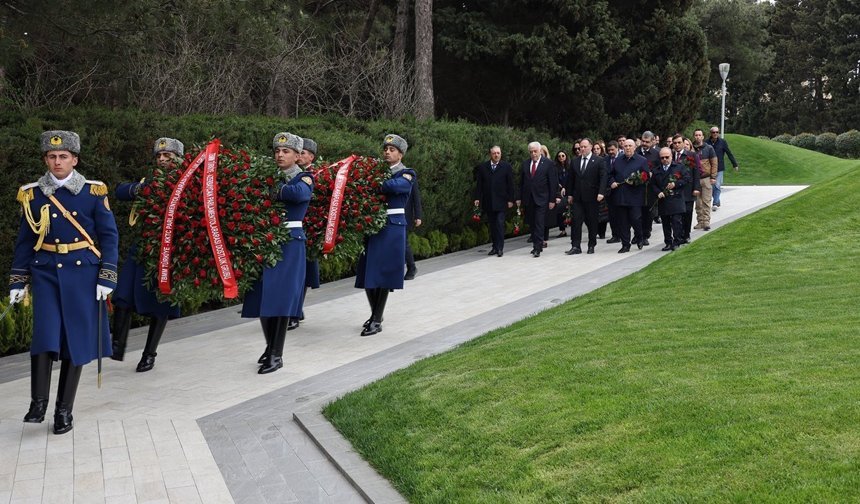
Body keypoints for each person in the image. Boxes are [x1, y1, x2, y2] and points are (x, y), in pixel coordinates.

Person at [11, 130, 118, 434]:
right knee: (44, 335)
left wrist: (107, 275)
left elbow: (109, 236)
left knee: (75, 342)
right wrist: (17, 281)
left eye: (63, 156)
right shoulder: (31, 194)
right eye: (51, 156)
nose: (57, 162)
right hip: (45, 272)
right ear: (45, 159)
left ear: (74, 159)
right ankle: (38, 402)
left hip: (83, 273)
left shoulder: (93, 192)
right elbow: (25, 241)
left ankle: (63, 411)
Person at [242, 132, 313, 373]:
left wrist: (273, 189)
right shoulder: (267, 177)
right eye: (277, 151)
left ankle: (276, 353)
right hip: (264, 240)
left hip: (289, 243)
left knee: (281, 298)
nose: (280, 155)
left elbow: (298, 194)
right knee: (261, 296)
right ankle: (269, 346)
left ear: (297, 155)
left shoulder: (304, 178)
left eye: (286, 151)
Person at [111, 138, 183, 372]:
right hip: (142, 246)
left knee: (160, 303)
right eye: (159, 156)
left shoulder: (185, 185)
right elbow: (120, 191)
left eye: (168, 156)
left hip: (167, 251)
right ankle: (116, 346)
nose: (162, 160)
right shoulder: (147, 182)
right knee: (122, 296)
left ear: (179, 159)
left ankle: (149, 353)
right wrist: (141, 189)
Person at [355, 134, 415, 336]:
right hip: (373, 225)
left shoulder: (406, 173)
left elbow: (399, 187)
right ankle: (376, 315)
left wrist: (377, 182)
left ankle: (376, 318)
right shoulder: (376, 173)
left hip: (392, 227)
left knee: (382, 274)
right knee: (368, 273)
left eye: (392, 150)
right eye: (386, 149)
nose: (387, 153)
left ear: (401, 153)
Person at [294, 137, 320, 329]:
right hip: (297, 228)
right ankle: (295, 309)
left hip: (309, 229)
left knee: (302, 274)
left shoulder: (315, 175)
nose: (300, 156)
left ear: (311, 156)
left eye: (303, 153)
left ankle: (295, 310)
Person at [565, 138, 607, 255]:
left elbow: (603, 177)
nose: (582, 149)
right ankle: (575, 246)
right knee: (576, 222)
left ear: (590, 147)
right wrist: (570, 194)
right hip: (578, 197)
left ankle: (591, 244)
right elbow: (571, 179)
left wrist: (601, 192)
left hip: (592, 197)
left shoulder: (599, 161)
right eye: (580, 147)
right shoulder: (575, 161)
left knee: (592, 221)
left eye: (584, 147)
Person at [517, 141, 558, 257]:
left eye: (535, 151)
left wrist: (552, 200)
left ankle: (537, 248)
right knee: (532, 224)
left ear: (540, 151)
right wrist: (519, 198)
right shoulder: (525, 164)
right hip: (529, 199)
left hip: (542, 199)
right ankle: (536, 243)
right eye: (531, 152)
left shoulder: (548, 164)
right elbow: (521, 183)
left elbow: (552, 183)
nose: (533, 154)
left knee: (539, 223)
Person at [607, 139, 647, 253]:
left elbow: (646, 176)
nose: (628, 148)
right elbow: (610, 174)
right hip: (620, 195)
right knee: (622, 222)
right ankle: (625, 244)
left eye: (630, 146)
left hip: (635, 196)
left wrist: (636, 181)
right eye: (625, 146)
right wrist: (612, 182)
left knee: (635, 219)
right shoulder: (618, 160)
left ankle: (639, 236)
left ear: (635, 147)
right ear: (622, 148)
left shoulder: (642, 160)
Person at [474, 146, 514, 257]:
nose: (496, 155)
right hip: (489, 201)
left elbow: (510, 184)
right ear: (490, 154)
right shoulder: (483, 167)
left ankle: (500, 248)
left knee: (500, 224)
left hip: (501, 201)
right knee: (492, 225)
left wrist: (511, 199)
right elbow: (479, 185)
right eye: (494, 153)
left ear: (501, 154)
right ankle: (494, 247)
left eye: (498, 153)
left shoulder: (506, 167)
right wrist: (477, 198)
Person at [651, 147, 690, 251]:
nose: (664, 159)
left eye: (667, 157)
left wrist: (675, 184)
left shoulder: (679, 167)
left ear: (671, 156)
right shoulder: (656, 170)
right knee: (666, 222)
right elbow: (653, 184)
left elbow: (686, 179)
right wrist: (658, 192)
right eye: (662, 158)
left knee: (676, 221)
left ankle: (677, 241)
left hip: (676, 198)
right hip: (663, 200)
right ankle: (668, 242)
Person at [671, 134, 701, 243]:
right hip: (675, 189)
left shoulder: (692, 155)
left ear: (684, 143)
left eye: (679, 142)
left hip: (689, 189)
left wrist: (696, 188)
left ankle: (686, 234)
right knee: (677, 215)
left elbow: (696, 172)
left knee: (687, 213)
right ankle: (678, 236)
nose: (677, 145)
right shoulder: (670, 155)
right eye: (675, 143)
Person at [706, 126, 739, 211]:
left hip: (719, 167)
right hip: (709, 167)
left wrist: (734, 164)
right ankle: (717, 200)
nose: (715, 134)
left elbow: (729, 153)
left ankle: (715, 203)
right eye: (713, 132)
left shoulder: (722, 142)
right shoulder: (706, 142)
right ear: (711, 133)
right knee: (712, 186)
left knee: (717, 185)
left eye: (717, 132)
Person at [637, 131, 660, 246]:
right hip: (637, 188)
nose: (644, 143)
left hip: (650, 189)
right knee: (637, 213)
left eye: (647, 142)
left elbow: (660, 169)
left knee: (648, 213)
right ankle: (638, 234)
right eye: (643, 141)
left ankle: (645, 234)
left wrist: (652, 173)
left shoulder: (656, 154)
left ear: (652, 142)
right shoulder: (636, 152)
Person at [693, 129, 717, 231]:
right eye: (696, 135)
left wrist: (713, 177)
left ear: (703, 137)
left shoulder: (709, 148)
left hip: (706, 178)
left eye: (700, 135)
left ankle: (706, 221)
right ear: (694, 137)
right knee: (698, 203)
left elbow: (714, 163)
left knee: (706, 201)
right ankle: (700, 221)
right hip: (696, 179)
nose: (698, 137)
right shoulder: (692, 149)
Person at [404, 177, 423, 279]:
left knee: (404, 242)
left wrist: (418, 216)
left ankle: (412, 267)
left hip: (404, 215)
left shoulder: (408, 174)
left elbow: (416, 196)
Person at [553, 151, 570, 237]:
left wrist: (565, 187)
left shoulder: (570, 166)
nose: (561, 157)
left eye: (563, 155)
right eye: (559, 156)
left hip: (569, 190)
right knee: (560, 209)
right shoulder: (555, 167)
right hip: (559, 191)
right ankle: (562, 229)